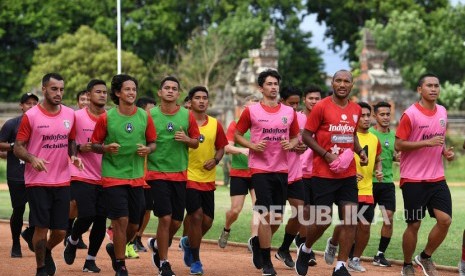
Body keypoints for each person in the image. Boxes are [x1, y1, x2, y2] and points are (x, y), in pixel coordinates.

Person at [296, 69, 367, 276]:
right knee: (323, 221)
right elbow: (307, 136)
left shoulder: (355, 109)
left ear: (352, 85)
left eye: (346, 81)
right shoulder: (321, 106)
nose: (342, 84)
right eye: (339, 81)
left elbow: (351, 135)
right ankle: (305, 248)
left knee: (350, 219)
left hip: (347, 174)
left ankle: (341, 265)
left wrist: (360, 150)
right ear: (332, 83)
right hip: (323, 174)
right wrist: (326, 155)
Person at [14, 73, 83, 276]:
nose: (59, 93)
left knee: (61, 232)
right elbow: (18, 147)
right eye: (54, 89)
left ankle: (46, 250)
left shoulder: (70, 114)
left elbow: (71, 140)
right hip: (37, 181)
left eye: (61, 89)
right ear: (44, 89)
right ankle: (41, 268)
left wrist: (74, 156)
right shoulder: (32, 116)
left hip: (62, 179)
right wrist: (32, 158)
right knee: (41, 229)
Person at [235, 69, 299, 276]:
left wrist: (290, 143)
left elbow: (297, 136)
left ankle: (256, 242)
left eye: (276, 84)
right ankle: (266, 261)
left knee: (277, 218)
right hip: (260, 169)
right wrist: (252, 146)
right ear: (261, 88)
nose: (273, 87)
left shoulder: (288, 112)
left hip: (281, 169)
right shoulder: (252, 111)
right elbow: (237, 135)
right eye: (269, 84)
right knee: (265, 213)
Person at [91, 74, 157, 276]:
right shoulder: (106, 118)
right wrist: (106, 148)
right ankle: (120, 265)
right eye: (127, 89)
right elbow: (94, 144)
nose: (131, 93)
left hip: (137, 177)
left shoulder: (144, 116)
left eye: (134, 89)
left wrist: (148, 150)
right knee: (120, 221)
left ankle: (115, 249)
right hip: (113, 177)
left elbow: (153, 142)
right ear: (118, 93)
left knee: (134, 225)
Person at [395, 73, 454, 276]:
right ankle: (406, 265)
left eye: (436, 85)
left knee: (445, 220)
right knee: (414, 224)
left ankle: (425, 256)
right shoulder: (410, 114)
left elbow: (439, 137)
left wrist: (445, 151)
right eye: (429, 85)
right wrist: (426, 143)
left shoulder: (443, 111)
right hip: (413, 179)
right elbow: (399, 144)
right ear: (420, 90)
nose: (434, 89)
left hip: (437, 177)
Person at [146, 76, 200, 276]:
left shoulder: (187, 115)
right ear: (160, 92)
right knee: (166, 218)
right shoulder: (149, 115)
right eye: (166, 88)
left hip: (180, 174)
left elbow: (195, 142)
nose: (170, 91)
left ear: (178, 93)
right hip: (157, 173)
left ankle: (156, 245)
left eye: (174, 88)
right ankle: (164, 263)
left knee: (177, 221)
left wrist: (186, 139)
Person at [180, 86, 228, 275]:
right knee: (196, 216)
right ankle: (196, 261)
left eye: (204, 98)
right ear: (190, 102)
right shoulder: (183, 122)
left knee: (207, 221)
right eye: (197, 98)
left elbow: (221, 147)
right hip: (187, 176)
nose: (201, 101)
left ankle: (187, 242)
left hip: (208, 179)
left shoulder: (215, 124)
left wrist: (215, 160)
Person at [63, 79, 108, 273]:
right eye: (98, 92)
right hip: (81, 172)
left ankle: (90, 260)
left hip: (106, 176)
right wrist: (78, 150)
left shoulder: (111, 118)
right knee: (87, 214)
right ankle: (73, 239)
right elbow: (69, 140)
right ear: (88, 95)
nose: (103, 95)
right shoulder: (76, 116)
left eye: (105, 92)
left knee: (100, 220)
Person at [218, 95, 260, 249]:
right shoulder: (235, 125)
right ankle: (226, 228)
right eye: (250, 108)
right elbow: (227, 147)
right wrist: (244, 150)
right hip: (239, 173)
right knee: (235, 210)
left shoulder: (262, 126)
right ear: (244, 109)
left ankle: (254, 240)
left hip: (257, 173)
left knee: (259, 207)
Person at [0, 92, 38, 257]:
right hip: (17, 174)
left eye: (34, 103)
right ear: (21, 106)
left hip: (37, 174)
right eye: (28, 103)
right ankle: (16, 244)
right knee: (19, 209)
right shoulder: (11, 124)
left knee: (39, 209)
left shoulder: (41, 124)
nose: (31, 106)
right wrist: (14, 145)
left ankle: (29, 234)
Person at [347, 102, 383, 272]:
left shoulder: (375, 139)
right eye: (362, 115)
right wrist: (350, 174)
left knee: (365, 226)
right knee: (348, 226)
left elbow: (377, 159)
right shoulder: (347, 137)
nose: (366, 118)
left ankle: (355, 259)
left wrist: (378, 171)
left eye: (368, 115)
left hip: (368, 189)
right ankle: (334, 243)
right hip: (348, 188)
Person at [275, 86, 308, 269]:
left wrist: (302, 147)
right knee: (273, 218)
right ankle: (258, 243)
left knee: (301, 212)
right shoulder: (276, 117)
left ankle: (284, 248)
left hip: (295, 173)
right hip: (275, 173)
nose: (295, 107)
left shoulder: (302, 118)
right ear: (282, 102)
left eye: (297, 103)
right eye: (291, 103)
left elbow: (305, 141)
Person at [294, 85, 323, 268]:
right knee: (304, 211)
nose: (314, 101)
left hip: (319, 171)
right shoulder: (296, 117)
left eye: (317, 98)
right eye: (311, 98)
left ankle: (300, 239)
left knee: (315, 213)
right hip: (299, 170)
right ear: (305, 99)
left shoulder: (323, 118)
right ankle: (305, 245)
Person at [369, 101, 398, 267]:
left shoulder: (394, 136)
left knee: (389, 218)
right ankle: (352, 252)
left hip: (387, 182)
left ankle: (380, 254)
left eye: (388, 114)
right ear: (375, 116)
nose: (386, 117)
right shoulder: (369, 134)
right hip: (368, 183)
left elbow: (393, 154)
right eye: (382, 114)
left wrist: (396, 157)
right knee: (363, 221)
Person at [131, 96, 157, 253]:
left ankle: (137, 238)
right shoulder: (137, 125)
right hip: (136, 175)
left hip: (151, 175)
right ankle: (127, 238)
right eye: (150, 111)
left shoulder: (154, 127)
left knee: (147, 209)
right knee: (136, 209)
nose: (153, 114)